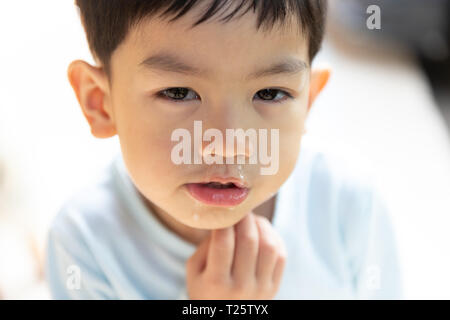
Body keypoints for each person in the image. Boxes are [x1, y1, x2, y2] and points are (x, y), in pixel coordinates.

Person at [45, 0, 402, 299]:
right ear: (100, 103)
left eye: (270, 93)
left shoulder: (348, 208)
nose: (228, 146)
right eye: (179, 93)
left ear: (308, 100)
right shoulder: (84, 242)